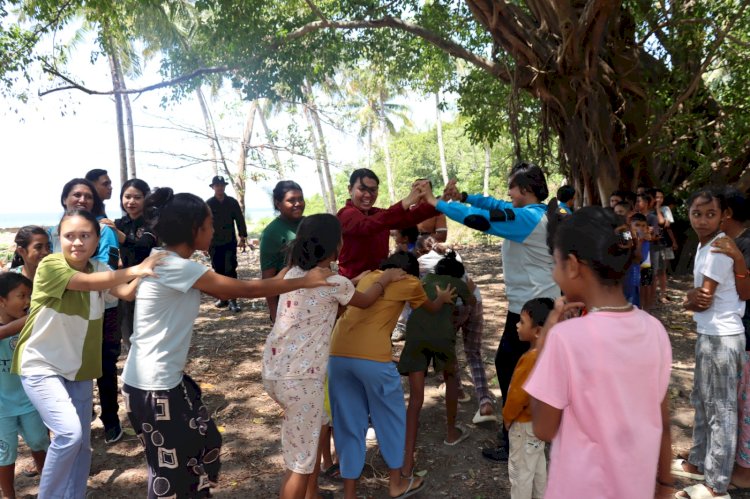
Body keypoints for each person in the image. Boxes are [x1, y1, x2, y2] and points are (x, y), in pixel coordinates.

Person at [120, 188, 333, 498]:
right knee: (173, 474)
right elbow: (239, 290)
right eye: (210, 225)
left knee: (201, 447)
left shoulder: (161, 258)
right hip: (156, 387)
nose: (216, 231)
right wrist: (304, 280)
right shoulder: (180, 268)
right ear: (195, 230)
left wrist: (288, 272)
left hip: (156, 383)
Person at [12, 209, 165, 498]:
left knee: (82, 444)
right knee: (70, 434)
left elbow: (126, 292)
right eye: (70, 236)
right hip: (40, 364)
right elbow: (84, 283)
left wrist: (155, 268)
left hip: (80, 367)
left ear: (97, 240)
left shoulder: (101, 268)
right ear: (60, 239)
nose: (77, 242)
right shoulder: (51, 266)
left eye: (85, 236)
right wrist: (137, 268)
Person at [524, 206, 673, 498]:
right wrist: (665, 483)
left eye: (554, 263)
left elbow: (543, 428)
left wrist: (542, 347)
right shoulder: (654, 329)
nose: (554, 274)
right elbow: (663, 420)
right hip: (636, 487)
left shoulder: (565, 338)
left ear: (573, 265)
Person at [417, 162, 560, 461]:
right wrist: (466, 196)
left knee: (510, 366)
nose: (508, 192)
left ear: (526, 190)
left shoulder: (526, 219)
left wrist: (436, 203)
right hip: (536, 303)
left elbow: (482, 220)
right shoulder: (539, 212)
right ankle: (532, 432)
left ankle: (515, 441)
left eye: (512, 187)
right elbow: (494, 205)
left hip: (531, 307)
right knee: (526, 367)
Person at [262, 213, 405, 499]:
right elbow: (364, 301)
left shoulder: (291, 274)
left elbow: (322, 298)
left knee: (302, 443)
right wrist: (385, 278)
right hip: (302, 380)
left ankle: (312, 494)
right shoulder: (336, 283)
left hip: (275, 372)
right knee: (299, 465)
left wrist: (353, 279)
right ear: (336, 245)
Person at [328, 251, 455, 499]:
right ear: (408, 270)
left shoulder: (368, 278)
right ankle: (396, 484)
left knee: (349, 425)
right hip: (373, 358)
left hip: (338, 354)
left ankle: (350, 494)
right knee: (392, 420)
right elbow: (430, 308)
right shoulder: (409, 282)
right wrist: (441, 297)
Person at [672, 188, 746, 499]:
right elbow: (697, 299)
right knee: (703, 401)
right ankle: (700, 461)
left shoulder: (718, 250)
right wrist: (689, 300)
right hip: (710, 334)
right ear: (688, 214)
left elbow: (703, 300)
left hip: (722, 336)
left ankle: (717, 485)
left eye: (710, 214)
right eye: (697, 214)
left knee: (722, 410)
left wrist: (687, 301)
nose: (702, 220)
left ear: (723, 215)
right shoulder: (706, 246)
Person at [53, 178, 123, 443]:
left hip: (103, 306)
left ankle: (111, 419)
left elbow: (106, 266)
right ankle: (76, 418)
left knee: (105, 362)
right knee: (69, 362)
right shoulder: (52, 232)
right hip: (64, 311)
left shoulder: (105, 230)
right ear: (64, 199)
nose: (82, 200)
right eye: (76, 195)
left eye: (88, 197)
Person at [398, 251, 474, 478]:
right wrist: (467, 288)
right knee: (451, 379)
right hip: (443, 337)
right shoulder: (456, 283)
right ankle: (451, 432)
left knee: (416, 398)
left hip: (415, 337)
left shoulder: (424, 281)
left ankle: (407, 458)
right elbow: (472, 301)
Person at [708, 187, 750, 489]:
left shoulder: (744, 246)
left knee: (743, 404)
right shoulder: (733, 243)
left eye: (713, 212)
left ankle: (743, 472)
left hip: (745, 336)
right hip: (734, 334)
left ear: (728, 215)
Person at [336, 169, 438, 280]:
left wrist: (442, 202)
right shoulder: (345, 214)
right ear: (350, 190)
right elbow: (369, 225)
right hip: (353, 287)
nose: (368, 195)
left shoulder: (377, 213)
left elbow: (408, 218)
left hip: (380, 282)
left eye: (373, 190)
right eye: (362, 189)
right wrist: (406, 201)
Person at [0, 273, 48, 499]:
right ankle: (9, 495)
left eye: (30, 296)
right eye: (21, 296)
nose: (28, 301)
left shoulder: (30, 325)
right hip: (2, 409)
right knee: (5, 455)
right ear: (2, 301)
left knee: (40, 442)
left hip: (30, 400)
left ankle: (48, 486)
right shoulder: (27, 321)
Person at [503, 297, 553, 499]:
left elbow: (518, 396)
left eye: (522, 322)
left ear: (538, 331)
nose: (517, 325)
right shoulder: (551, 353)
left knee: (521, 474)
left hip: (523, 425)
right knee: (538, 468)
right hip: (540, 424)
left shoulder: (530, 358)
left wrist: (507, 418)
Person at [115, 178, 157, 350]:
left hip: (150, 280)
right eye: (127, 197)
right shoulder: (120, 223)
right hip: (125, 282)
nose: (131, 202)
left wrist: (121, 238)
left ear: (145, 199)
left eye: (137, 197)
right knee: (128, 330)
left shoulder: (153, 221)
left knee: (148, 329)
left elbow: (144, 248)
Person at [260, 180, 305, 323]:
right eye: (291, 200)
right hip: (288, 303)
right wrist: (274, 313)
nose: (298, 203)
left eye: (300, 199)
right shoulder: (271, 233)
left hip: (315, 298)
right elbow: (268, 277)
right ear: (278, 203)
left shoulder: (310, 224)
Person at [206, 175, 248, 313]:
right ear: (213, 187)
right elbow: (203, 224)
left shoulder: (232, 202)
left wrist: (243, 236)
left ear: (224, 187)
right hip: (214, 242)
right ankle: (222, 298)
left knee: (230, 269)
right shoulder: (209, 204)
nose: (219, 187)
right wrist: (204, 244)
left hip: (229, 241)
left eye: (222, 185)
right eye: (217, 185)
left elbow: (240, 219)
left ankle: (233, 300)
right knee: (218, 270)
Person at [654, 188, 678, 303]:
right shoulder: (644, 209)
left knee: (662, 270)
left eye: (661, 197)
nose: (659, 199)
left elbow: (665, 224)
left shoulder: (665, 209)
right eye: (656, 197)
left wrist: (658, 209)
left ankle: (662, 294)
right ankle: (649, 294)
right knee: (648, 270)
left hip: (663, 243)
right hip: (648, 244)